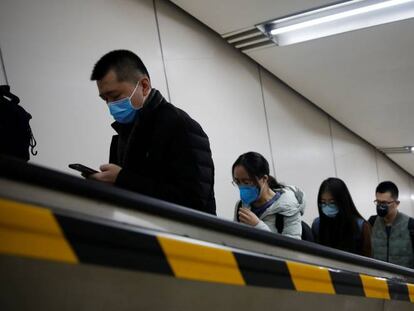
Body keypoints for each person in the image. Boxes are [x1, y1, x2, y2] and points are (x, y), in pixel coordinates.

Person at [89, 50, 216, 215]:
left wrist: (122, 179)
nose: (110, 105)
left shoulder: (181, 125)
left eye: (115, 96)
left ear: (144, 86)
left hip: (183, 237)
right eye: (105, 99)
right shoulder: (126, 131)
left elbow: (194, 202)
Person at [232, 152, 305, 240]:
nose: (242, 187)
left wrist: (258, 226)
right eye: (237, 182)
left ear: (264, 179)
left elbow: (292, 249)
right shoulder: (240, 205)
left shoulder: (288, 207)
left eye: (247, 182)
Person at [312, 178, 371, 257]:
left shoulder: (361, 226)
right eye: (323, 202)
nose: (327, 207)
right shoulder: (317, 225)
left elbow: (368, 260)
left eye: (332, 202)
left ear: (342, 202)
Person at [369, 181, 414, 268]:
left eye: (385, 203)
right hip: (377, 279)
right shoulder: (372, 222)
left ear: (397, 204)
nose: (380, 206)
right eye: (378, 202)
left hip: (404, 280)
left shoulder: (410, 225)